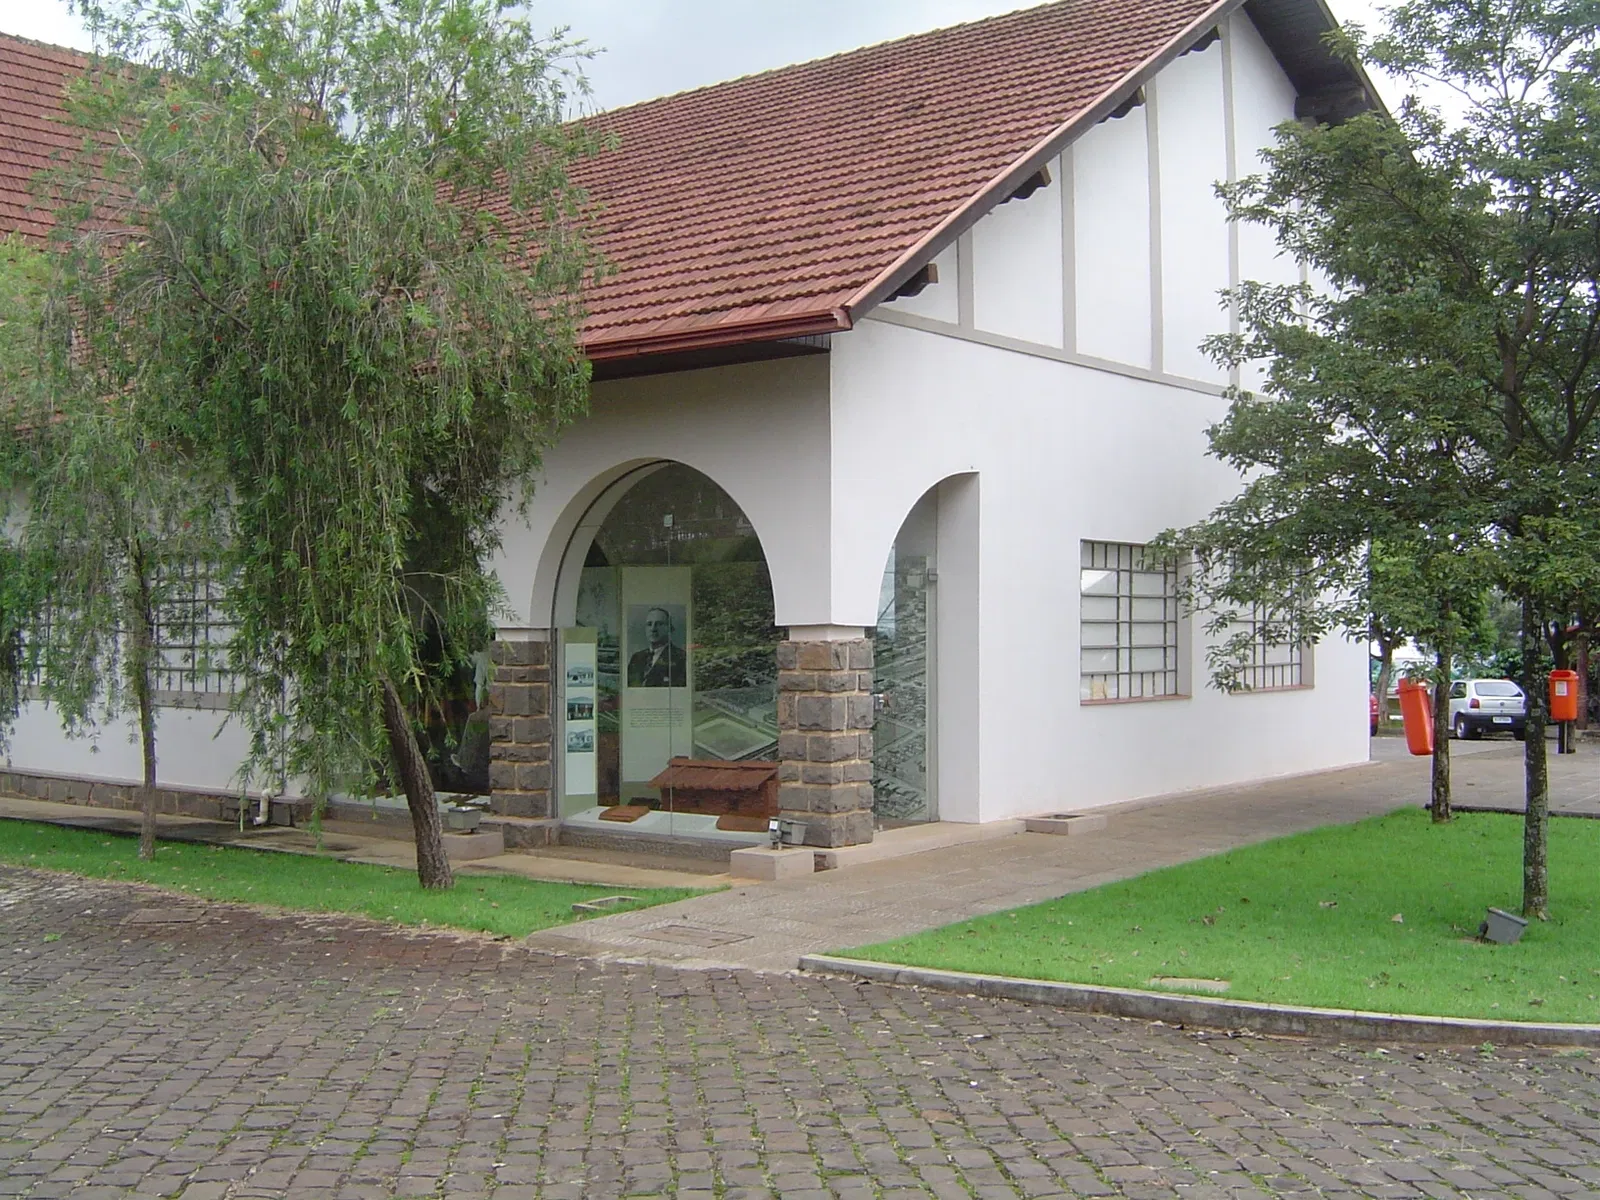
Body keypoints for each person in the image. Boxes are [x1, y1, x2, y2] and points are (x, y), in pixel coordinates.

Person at [627, 606, 687, 687]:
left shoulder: (682, 658)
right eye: (649, 624)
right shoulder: (636, 657)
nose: (653, 629)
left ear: (669, 628)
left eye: (659, 624)